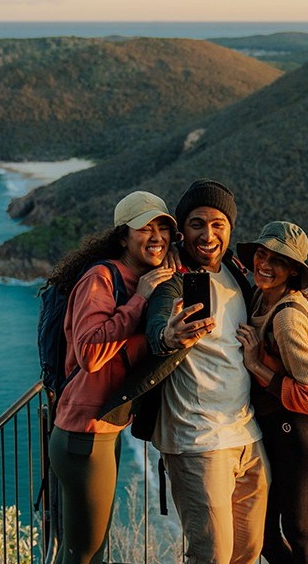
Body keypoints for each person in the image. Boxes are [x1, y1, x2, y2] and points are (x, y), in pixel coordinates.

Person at [99, 179, 270, 564]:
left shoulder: (236, 273)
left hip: (247, 434)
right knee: (211, 556)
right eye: (196, 224)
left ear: (229, 228)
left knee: (248, 551)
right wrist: (169, 335)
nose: (207, 235)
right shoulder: (172, 280)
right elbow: (159, 327)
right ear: (182, 230)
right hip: (198, 440)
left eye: (217, 224)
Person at [46, 190, 176, 564]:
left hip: (102, 431)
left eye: (163, 228)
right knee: (82, 553)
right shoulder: (102, 278)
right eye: (144, 228)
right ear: (123, 236)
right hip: (82, 435)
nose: (156, 237)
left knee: (93, 548)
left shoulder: (140, 278)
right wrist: (140, 299)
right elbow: (89, 354)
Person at [235, 221, 308, 564]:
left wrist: (255, 365)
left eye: (277, 260)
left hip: (300, 432)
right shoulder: (263, 295)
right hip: (280, 430)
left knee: (297, 528)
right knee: (263, 531)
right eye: (262, 253)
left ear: (292, 270)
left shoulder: (287, 319)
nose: (264, 263)